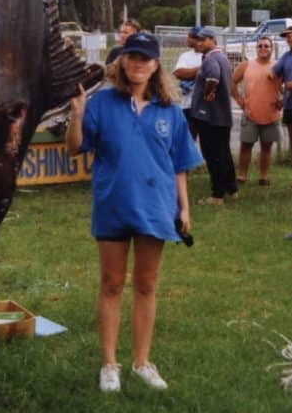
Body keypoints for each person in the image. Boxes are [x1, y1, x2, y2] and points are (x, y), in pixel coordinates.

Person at [66, 30, 202, 394]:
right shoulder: (101, 104)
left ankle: (142, 362)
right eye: (132, 56)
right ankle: (109, 364)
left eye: (146, 58)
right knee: (111, 284)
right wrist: (76, 116)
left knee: (146, 284)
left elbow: (178, 165)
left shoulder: (169, 111)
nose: (138, 63)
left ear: (157, 65)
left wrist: (184, 207)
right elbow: (75, 148)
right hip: (112, 205)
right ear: (122, 62)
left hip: (156, 208)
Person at [190, 27, 238, 205]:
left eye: (203, 40)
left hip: (211, 116)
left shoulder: (210, 58)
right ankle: (232, 189)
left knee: (212, 155)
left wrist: (207, 92)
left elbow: (213, 77)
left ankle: (217, 195)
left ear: (212, 39)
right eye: (197, 40)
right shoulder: (222, 57)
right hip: (222, 115)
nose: (199, 43)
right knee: (224, 153)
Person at [231, 35, 282, 185]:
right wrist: (239, 100)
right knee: (246, 145)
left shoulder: (278, 66)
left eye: (266, 46)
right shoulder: (246, 65)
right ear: (256, 49)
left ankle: (263, 177)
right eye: (260, 46)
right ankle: (241, 176)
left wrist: (283, 100)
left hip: (271, 114)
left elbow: (285, 88)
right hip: (250, 114)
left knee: (267, 146)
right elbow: (232, 81)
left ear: (272, 49)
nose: (263, 48)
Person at [271, 24, 292, 189]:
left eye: (290, 35)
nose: (287, 39)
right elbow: (273, 74)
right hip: (291, 105)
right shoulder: (287, 56)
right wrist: (280, 92)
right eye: (285, 36)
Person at [173, 28, 202, 139]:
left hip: (205, 106)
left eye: (189, 37)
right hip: (187, 105)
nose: (187, 40)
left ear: (196, 38)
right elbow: (178, 73)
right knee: (188, 139)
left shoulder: (209, 55)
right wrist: (201, 69)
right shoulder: (185, 56)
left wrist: (189, 73)